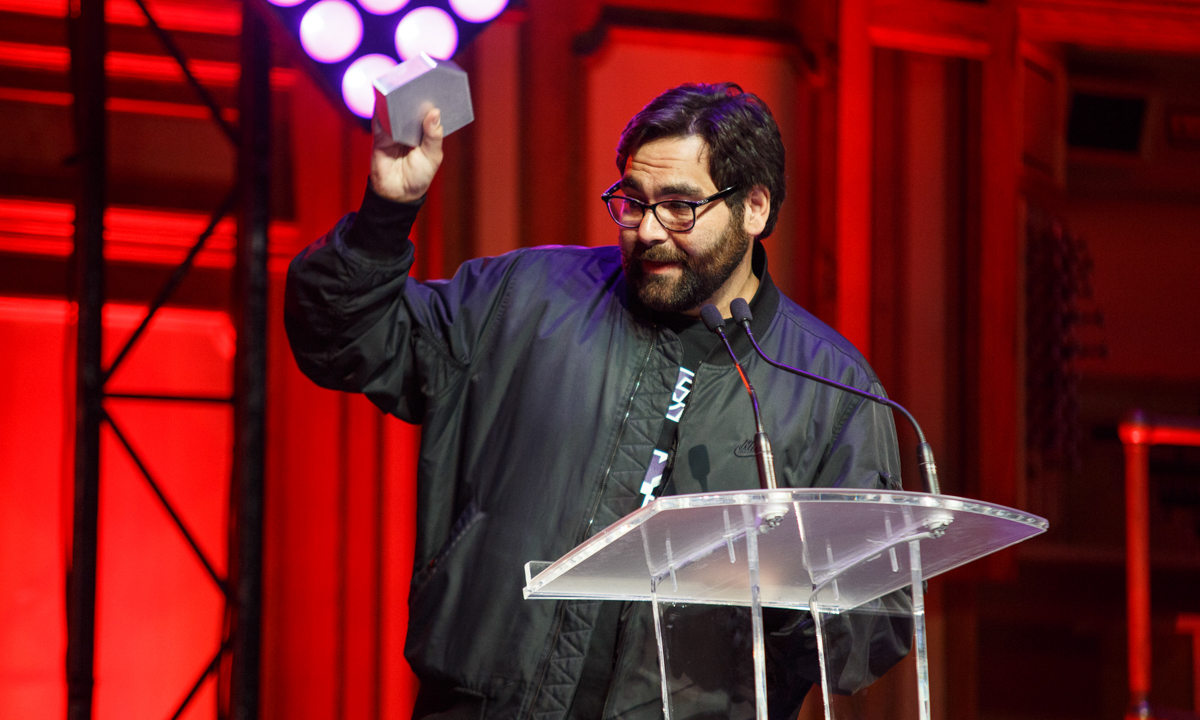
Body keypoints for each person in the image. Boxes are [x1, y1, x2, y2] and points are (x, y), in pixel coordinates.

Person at [285, 82, 910, 720]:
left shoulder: (831, 390)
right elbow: (342, 337)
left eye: (679, 207)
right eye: (633, 203)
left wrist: (785, 589)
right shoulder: (526, 299)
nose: (649, 231)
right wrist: (386, 213)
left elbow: (873, 632)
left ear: (754, 207)